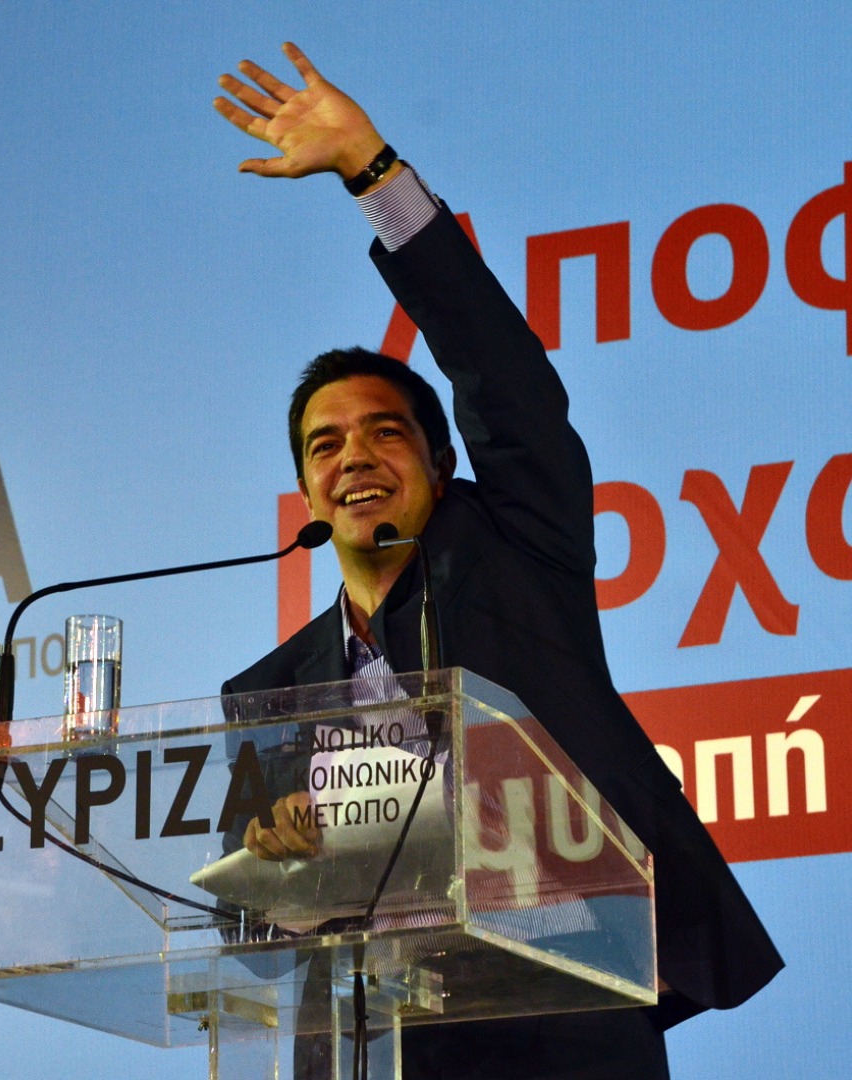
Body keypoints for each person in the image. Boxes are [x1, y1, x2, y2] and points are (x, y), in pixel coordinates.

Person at [214, 43, 783, 1080]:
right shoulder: (266, 693)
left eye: (385, 433)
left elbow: (503, 375)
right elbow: (243, 938)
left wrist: (370, 171)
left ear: (441, 461)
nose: (354, 459)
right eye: (324, 445)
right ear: (305, 496)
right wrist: (274, 866)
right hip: (369, 1046)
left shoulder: (523, 554)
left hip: (567, 1018)